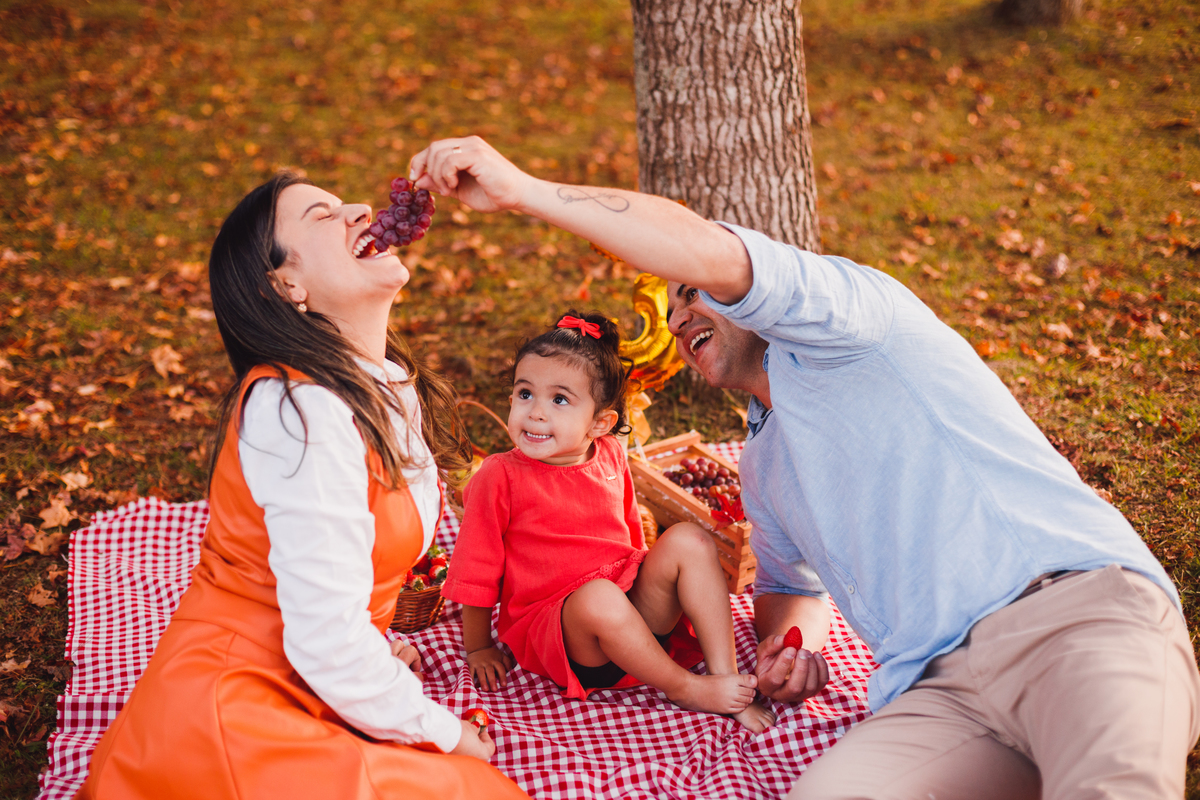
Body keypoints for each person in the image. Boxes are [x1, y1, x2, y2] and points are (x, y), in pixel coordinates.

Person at [407, 136, 1200, 799]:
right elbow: (793, 594)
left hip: (1071, 615)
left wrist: (523, 191)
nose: (682, 315)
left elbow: (701, 245)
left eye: (696, 295)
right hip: (938, 696)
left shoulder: (853, 319)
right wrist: (792, 658)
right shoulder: (764, 462)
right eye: (675, 307)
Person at [75, 172, 530, 800]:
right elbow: (324, 637)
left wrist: (378, 642)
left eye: (345, 204)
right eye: (322, 215)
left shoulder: (381, 383)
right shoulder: (298, 411)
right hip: (236, 708)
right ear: (287, 284)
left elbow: (333, 579)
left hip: (313, 676)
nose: (360, 211)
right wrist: (445, 732)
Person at [441, 311, 774, 732]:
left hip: (630, 609)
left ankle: (726, 679)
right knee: (598, 596)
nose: (536, 413)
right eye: (525, 394)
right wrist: (478, 648)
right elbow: (476, 567)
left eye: (559, 400)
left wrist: (658, 584)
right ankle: (683, 686)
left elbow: (631, 535)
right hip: (568, 634)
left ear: (601, 423)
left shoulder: (611, 454)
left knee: (689, 538)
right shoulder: (499, 475)